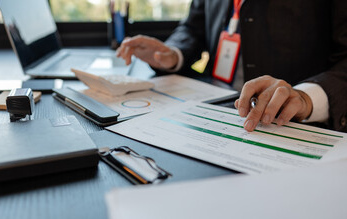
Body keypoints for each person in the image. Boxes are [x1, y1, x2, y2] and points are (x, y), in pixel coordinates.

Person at [116, 0, 347, 133]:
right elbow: (192, 28)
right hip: (213, 111)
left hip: (288, 124)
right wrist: (170, 53)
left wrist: (306, 97)